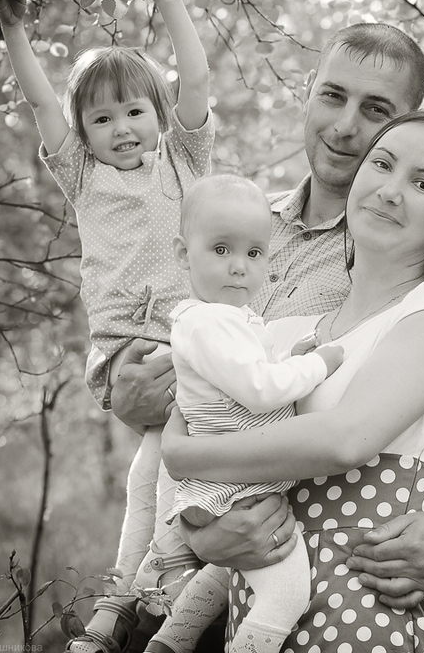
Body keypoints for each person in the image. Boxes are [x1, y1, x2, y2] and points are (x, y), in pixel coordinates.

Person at [110, 24, 424, 649]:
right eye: (332, 95)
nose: (345, 126)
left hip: (353, 608)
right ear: (308, 91)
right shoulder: (236, 223)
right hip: (221, 579)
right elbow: (167, 381)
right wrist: (195, 519)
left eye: (376, 111)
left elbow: (409, 419)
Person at [0, 0, 214, 651]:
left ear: (158, 115)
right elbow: (39, 101)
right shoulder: (83, 177)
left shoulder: (183, 159)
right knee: (164, 463)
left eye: (135, 111)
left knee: (161, 470)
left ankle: (132, 601)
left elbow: (196, 81)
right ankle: (145, 596)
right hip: (127, 345)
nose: (122, 128)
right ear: (83, 133)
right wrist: (13, 30)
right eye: (102, 119)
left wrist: (169, 0)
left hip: (195, 340)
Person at [141, 173, 342, 653]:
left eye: (254, 253)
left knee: (226, 572)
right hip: (236, 486)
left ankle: (170, 641)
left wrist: (290, 354)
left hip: (236, 479)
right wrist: (318, 363)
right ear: (182, 253)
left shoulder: (228, 319)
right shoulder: (208, 322)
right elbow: (258, 390)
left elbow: (248, 372)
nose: (238, 267)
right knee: (287, 592)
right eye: (221, 249)